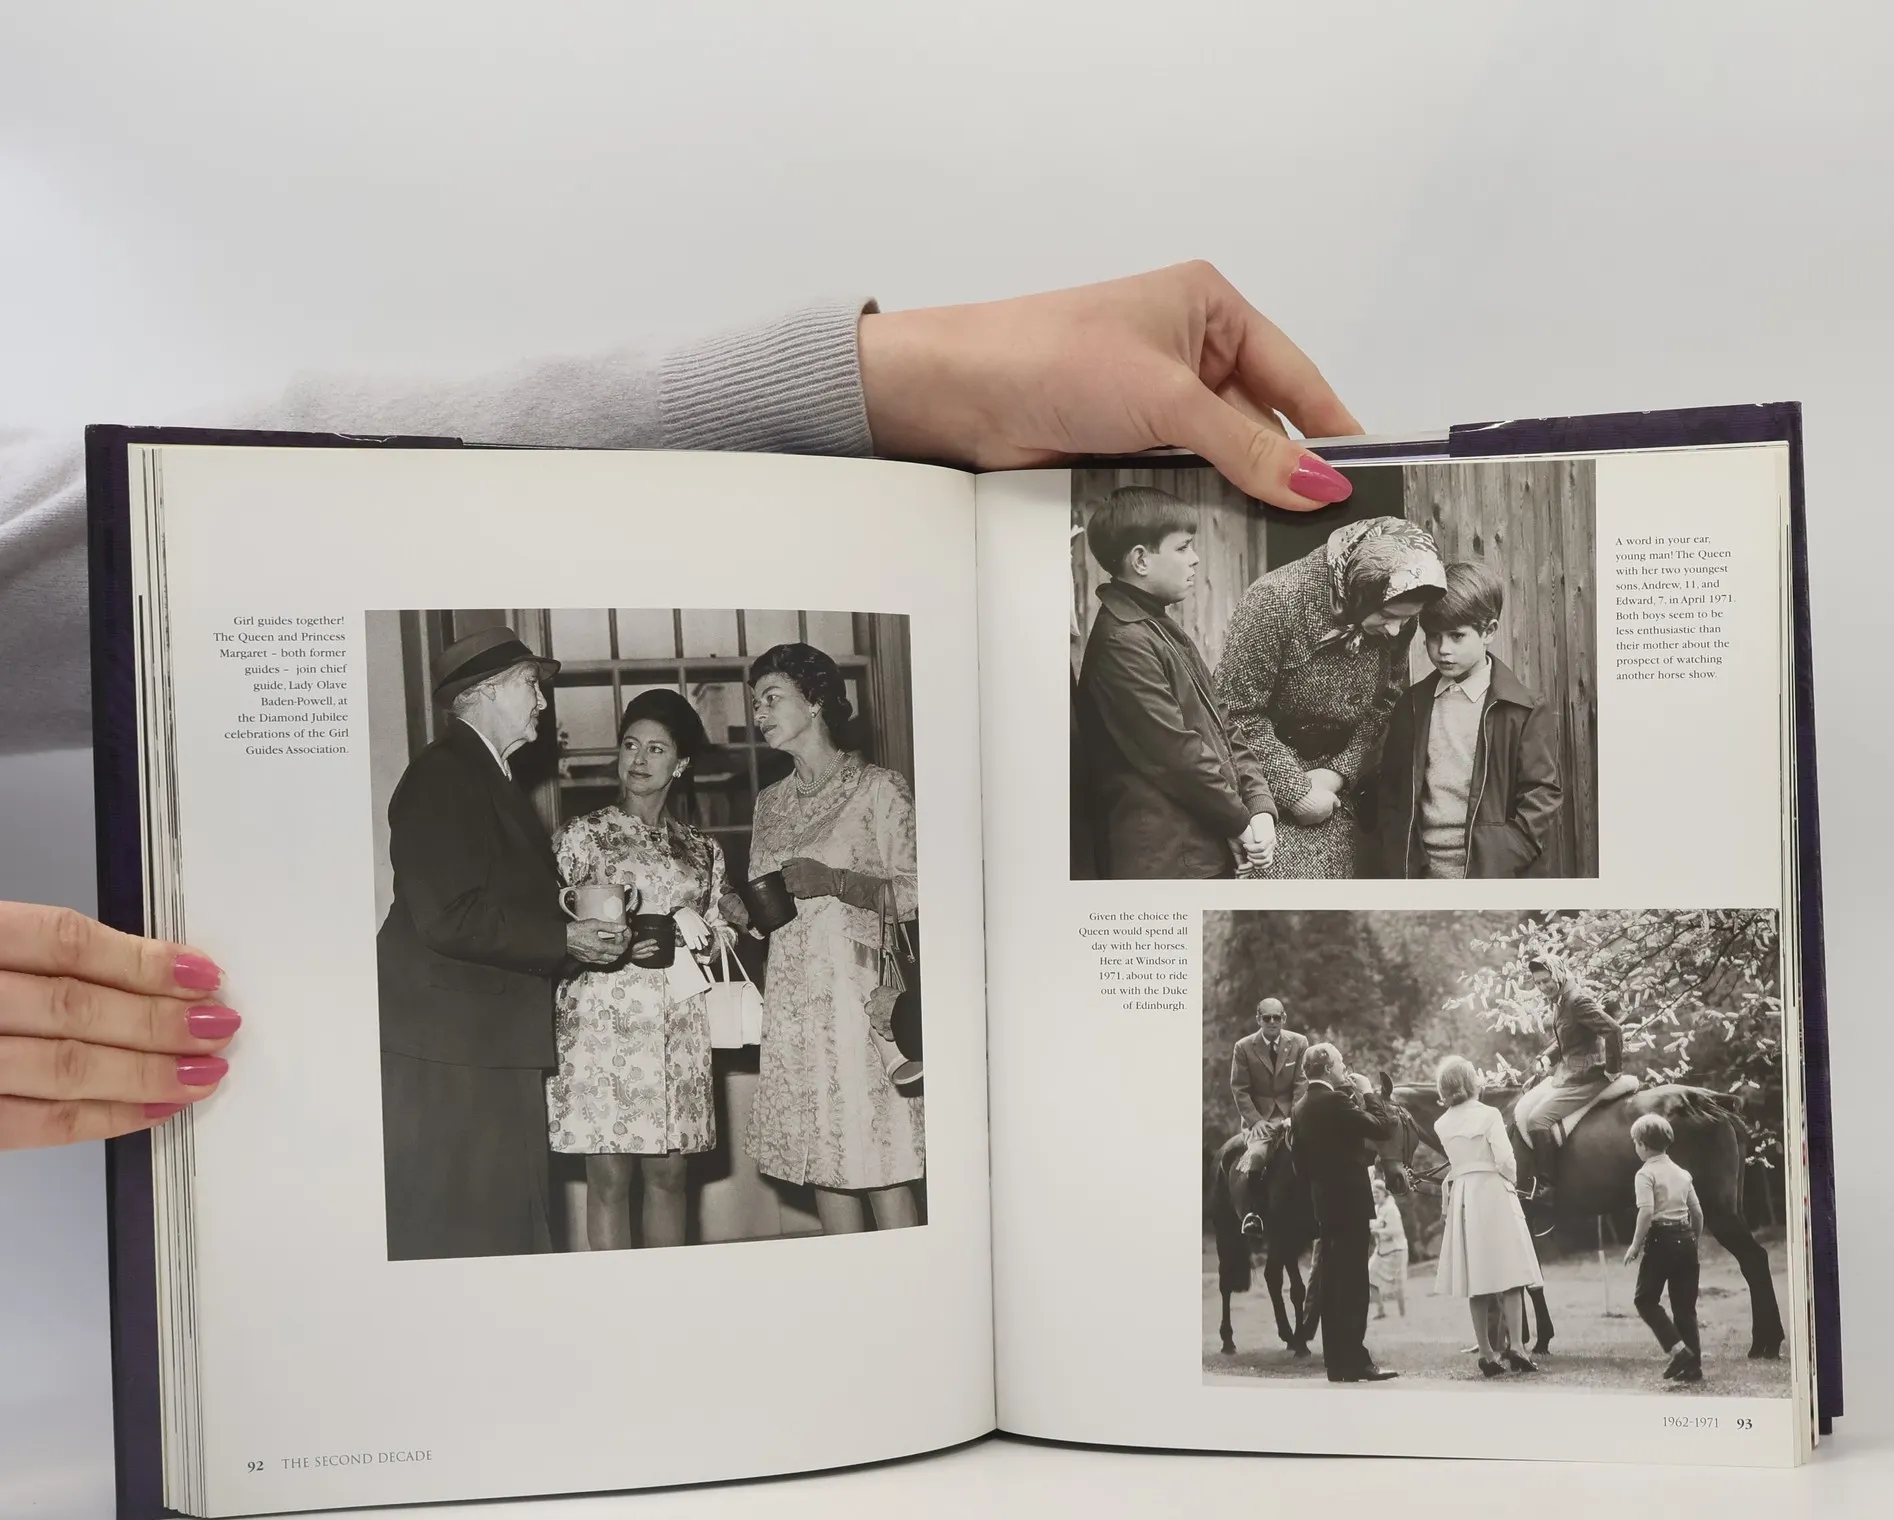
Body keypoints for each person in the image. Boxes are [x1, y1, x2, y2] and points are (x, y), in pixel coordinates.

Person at [0, 263, 1361, 1151]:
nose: (569, 719)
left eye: (762, 699)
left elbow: (131, 528)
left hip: (822, 999)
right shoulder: (560, 813)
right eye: (542, 693)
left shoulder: (829, 798)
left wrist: (882, 379)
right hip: (607, 1022)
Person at [376, 628, 624, 1259]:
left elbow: (486, 899)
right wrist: (564, 936)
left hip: (477, 1037)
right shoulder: (444, 775)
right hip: (452, 1046)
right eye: (530, 686)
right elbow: (449, 916)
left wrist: (567, 919)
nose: (542, 702)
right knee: (471, 1230)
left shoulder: (481, 774)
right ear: (485, 692)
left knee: (500, 1223)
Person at [547, 690, 747, 1251]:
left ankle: (666, 1292)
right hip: (602, 1021)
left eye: (656, 749)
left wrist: (707, 935)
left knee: (670, 1173)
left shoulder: (701, 850)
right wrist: (605, 942)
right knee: (610, 1176)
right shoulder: (582, 836)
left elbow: (722, 933)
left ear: (680, 764)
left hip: (678, 1023)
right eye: (631, 745)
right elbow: (549, 925)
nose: (638, 759)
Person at [746, 642, 922, 1233]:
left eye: (772, 698)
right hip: (793, 1007)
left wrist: (837, 881)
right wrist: (743, 909)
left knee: (881, 1163)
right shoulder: (769, 804)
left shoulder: (879, 788)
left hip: (860, 999)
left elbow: (921, 892)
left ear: (816, 701)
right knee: (824, 1163)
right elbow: (771, 907)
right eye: (755, 702)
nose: (759, 713)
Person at [1215, 517, 1447, 878]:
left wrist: (1339, 772)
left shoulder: (1400, 613)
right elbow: (1234, 712)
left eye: (1407, 619)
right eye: (1387, 616)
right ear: (1359, 591)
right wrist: (1296, 792)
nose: (1395, 630)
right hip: (1266, 787)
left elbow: (1384, 701)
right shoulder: (1275, 600)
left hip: (1341, 790)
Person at [1073, 485, 1278, 878]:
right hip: (1167, 864)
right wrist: (1239, 823)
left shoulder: (1157, 626)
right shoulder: (1123, 641)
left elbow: (1222, 723)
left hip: (1199, 848)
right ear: (1140, 560)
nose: (1195, 558)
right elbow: (1179, 756)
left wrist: (1258, 806)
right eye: (1183, 547)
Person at [1370, 559, 1564, 879]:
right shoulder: (1412, 705)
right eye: (1434, 636)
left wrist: (1504, 855)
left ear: (1489, 631)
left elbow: (1541, 795)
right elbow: (1392, 790)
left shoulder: (1523, 709)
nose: (1443, 649)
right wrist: (1396, 852)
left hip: (1491, 875)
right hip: (1420, 875)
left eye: (1457, 636)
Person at [1289, 1041, 1400, 1383]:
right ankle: (1356, 1361)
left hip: (1324, 1207)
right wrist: (1368, 1092)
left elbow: (1299, 1165)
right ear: (1326, 1069)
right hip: (1350, 1205)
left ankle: (1337, 1365)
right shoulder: (1336, 1101)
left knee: (1332, 1285)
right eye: (1340, 1064)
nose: (1345, 1069)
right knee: (1353, 1286)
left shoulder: (1300, 1107)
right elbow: (1381, 1127)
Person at [1431, 1055, 1542, 1378]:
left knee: (1475, 1276)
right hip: (1493, 1190)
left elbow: (1457, 1162)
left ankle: (1485, 1351)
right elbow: (1506, 1159)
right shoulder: (1489, 1114)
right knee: (1511, 1271)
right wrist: (1510, 1182)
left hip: (1464, 1195)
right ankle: (1517, 1347)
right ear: (1471, 1082)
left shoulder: (1441, 1123)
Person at [1510, 955, 1625, 1204]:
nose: (1543, 987)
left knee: (1537, 1120)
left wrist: (1612, 1069)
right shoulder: (1561, 1000)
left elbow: (1613, 1030)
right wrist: (1546, 1058)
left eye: (1546, 980)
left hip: (1587, 1076)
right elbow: (1567, 1039)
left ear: (1558, 974)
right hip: (1568, 1074)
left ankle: (1549, 1188)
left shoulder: (1577, 1001)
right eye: (1538, 983)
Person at [1623, 1112, 1707, 1382]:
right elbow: (1697, 1213)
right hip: (1686, 1239)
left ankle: (1678, 1350)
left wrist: (1635, 1245)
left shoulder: (1645, 1174)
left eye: (1635, 1143)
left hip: (1661, 1241)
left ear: (1643, 1144)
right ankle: (1693, 1367)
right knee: (1685, 1307)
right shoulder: (1682, 1174)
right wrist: (1693, 1239)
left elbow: (1646, 1212)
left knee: (1645, 1300)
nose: (1635, 1147)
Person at [1228, 995, 1307, 1201]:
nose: (1272, 1022)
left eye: (1276, 1017)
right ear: (1258, 1019)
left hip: (1292, 1114)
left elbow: (1301, 1082)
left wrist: (1293, 1116)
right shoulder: (1243, 1047)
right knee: (1257, 1155)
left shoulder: (1299, 1042)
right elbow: (1240, 1088)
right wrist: (1255, 1121)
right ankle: (1253, 1210)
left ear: (1284, 1018)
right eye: (1266, 1018)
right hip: (1260, 1119)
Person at [1367, 1167, 1408, 1320]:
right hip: (1381, 1250)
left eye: (1377, 1193)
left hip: (1396, 1250)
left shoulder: (1391, 1209)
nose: (1375, 1195)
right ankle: (1380, 1310)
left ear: (1384, 1193)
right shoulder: (1375, 1209)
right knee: (1369, 1276)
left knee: (1398, 1284)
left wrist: (1377, 1232)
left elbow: (1396, 1230)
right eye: (1373, 1193)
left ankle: (1403, 1315)